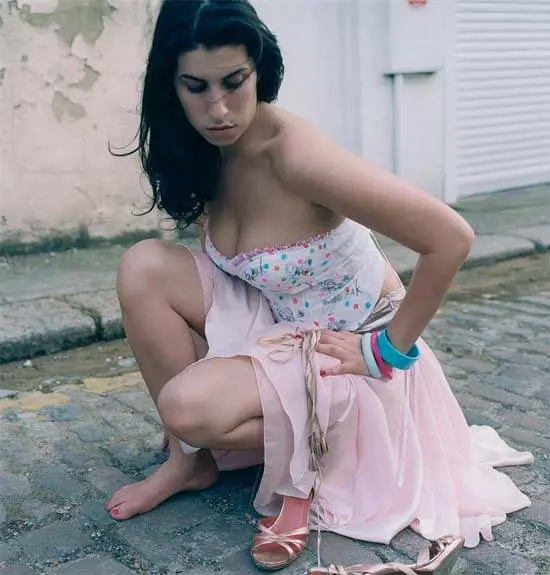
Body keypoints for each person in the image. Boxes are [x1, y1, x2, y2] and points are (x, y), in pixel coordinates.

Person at [106, 0, 533, 572]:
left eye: (234, 82)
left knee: (186, 404)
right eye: (195, 87)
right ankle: (191, 462)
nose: (218, 109)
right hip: (278, 317)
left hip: (348, 349)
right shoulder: (204, 150)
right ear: (171, 84)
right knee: (142, 266)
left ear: (259, 69)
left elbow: (450, 237)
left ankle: (313, 451)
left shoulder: (297, 157)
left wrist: (385, 351)